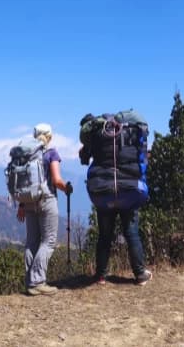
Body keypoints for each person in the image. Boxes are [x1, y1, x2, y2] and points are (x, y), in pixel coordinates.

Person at [79, 111, 153, 286]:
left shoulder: (97, 135)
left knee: (105, 235)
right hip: (129, 190)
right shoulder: (132, 134)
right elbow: (143, 158)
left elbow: (83, 159)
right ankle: (140, 274)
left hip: (104, 192)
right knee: (131, 232)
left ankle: (101, 275)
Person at [16, 123, 73, 296]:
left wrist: (21, 205)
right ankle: (38, 281)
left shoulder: (27, 155)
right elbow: (56, 180)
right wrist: (67, 188)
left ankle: (30, 283)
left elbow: (23, 183)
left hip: (29, 201)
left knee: (32, 241)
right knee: (48, 241)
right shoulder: (51, 153)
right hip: (47, 200)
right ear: (49, 136)